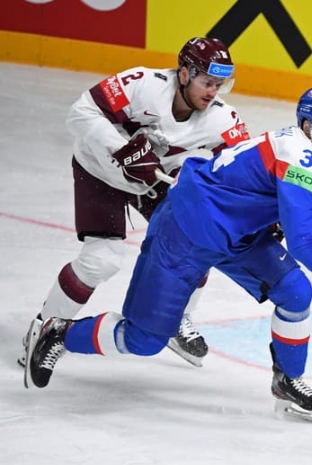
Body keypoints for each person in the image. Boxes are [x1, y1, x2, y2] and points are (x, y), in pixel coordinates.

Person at [23, 87, 312, 424]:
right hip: (186, 231)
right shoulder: (298, 155)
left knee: (296, 292)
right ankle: (59, 333)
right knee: (144, 339)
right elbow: (305, 241)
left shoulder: (302, 151)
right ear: (308, 126)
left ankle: (288, 379)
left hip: (237, 235)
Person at [19, 37, 250, 368]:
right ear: (184, 74)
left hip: (153, 182)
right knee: (101, 261)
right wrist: (121, 149)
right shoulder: (142, 84)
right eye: (207, 82)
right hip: (99, 171)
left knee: (198, 243)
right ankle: (43, 330)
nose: (213, 92)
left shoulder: (221, 118)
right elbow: (80, 113)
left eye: (219, 84)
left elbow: (242, 169)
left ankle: (175, 318)